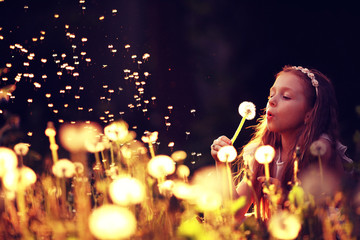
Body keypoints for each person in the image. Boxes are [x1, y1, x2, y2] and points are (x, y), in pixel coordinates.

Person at [210, 65, 353, 221]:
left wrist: (286, 200)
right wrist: (222, 164)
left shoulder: (319, 150)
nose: (272, 101)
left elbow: (330, 218)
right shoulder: (262, 152)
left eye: (286, 96)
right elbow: (234, 213)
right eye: (271, 95)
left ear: (309, 114)